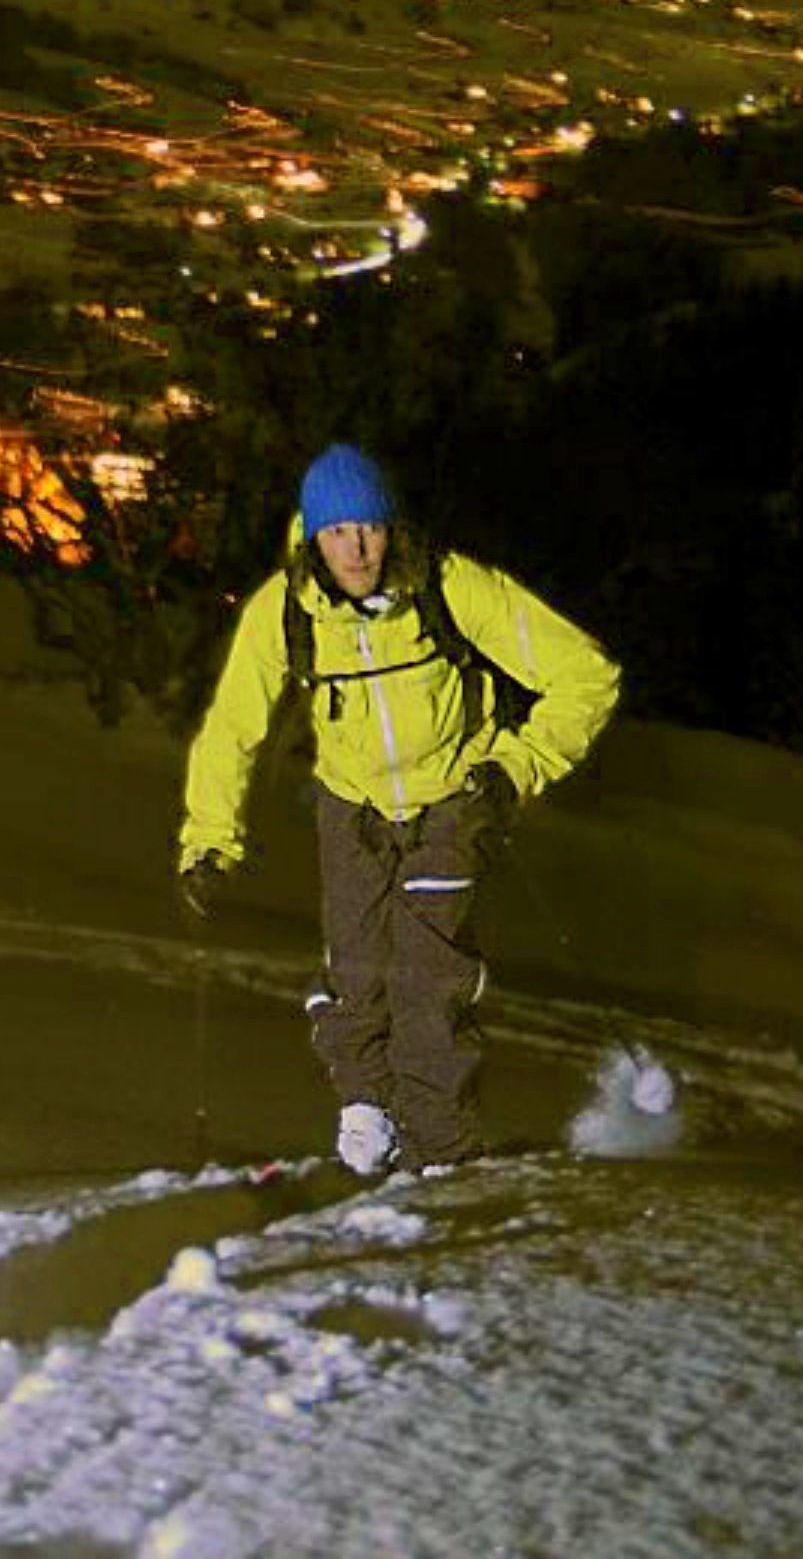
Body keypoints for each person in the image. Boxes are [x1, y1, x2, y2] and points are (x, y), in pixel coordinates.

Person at [175, 442, 619, 1174]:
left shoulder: (449, 587)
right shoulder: (284, 610)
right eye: (338, 532)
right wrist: (209, 840)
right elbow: (233, 729)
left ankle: (440, 1154)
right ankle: (365, 1111)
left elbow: (587, 676)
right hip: (351, 809)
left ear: (394, 529)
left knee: (424, 977)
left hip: (450, 801)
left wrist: (512, 768)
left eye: (371, 529)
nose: (357, 549)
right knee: (354, 973)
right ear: (313, 536)